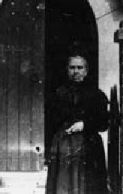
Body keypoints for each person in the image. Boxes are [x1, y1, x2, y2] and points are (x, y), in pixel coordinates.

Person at [46, 53, 109, 194]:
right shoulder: (58, 94)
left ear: (86, 71)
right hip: (64, 145)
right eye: (72, 67)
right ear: (67, 70)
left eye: (80, 68)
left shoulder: (96, 95)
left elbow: (104, 122)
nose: (76, 71)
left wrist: (85, 125)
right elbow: (51, 121)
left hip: (88, 145)